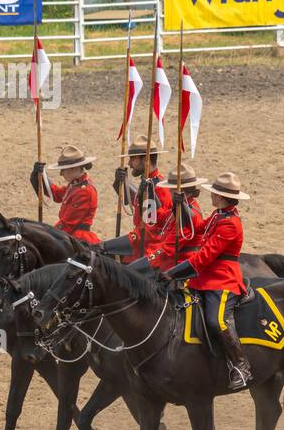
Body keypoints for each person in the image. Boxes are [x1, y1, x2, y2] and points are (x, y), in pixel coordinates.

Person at [162, 172, 253, 392]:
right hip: (205, 278)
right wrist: (181, 206)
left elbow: (204, 257)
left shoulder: (230, 223)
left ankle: (241, 366)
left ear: (221, 197)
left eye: (214, 194)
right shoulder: (218, 215)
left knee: (217, 320)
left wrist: (174, 272)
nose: (210, 196)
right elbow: (196, 228)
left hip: (223, 280)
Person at [99, 135, 172, 260]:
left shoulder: (159, 188)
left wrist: (108, 245)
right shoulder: (148, 182)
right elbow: (135, 203)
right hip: (139, 247)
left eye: (133, 159)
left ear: (146, 159)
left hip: (149, 252)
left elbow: (150, 231)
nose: (129, 163)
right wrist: (120, 182)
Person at [30, 144, 100, 244]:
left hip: (77, 239)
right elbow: (57, 194)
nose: (61, 173)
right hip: (69, 234)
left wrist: (46, 235)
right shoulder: (75, 185)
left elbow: (68, 224)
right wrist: (40, 177)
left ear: (74, 168)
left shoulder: (85, 191)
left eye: (64, 169)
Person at [143, 162, 206, 271]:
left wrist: (144, 264)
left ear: (180, 191)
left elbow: (167, 250)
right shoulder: (179, 208)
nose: (169, 191)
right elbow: (161, 219)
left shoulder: (189, 214)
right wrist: (151, 192)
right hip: (168, 262)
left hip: (178, 268)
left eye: (171, 188)